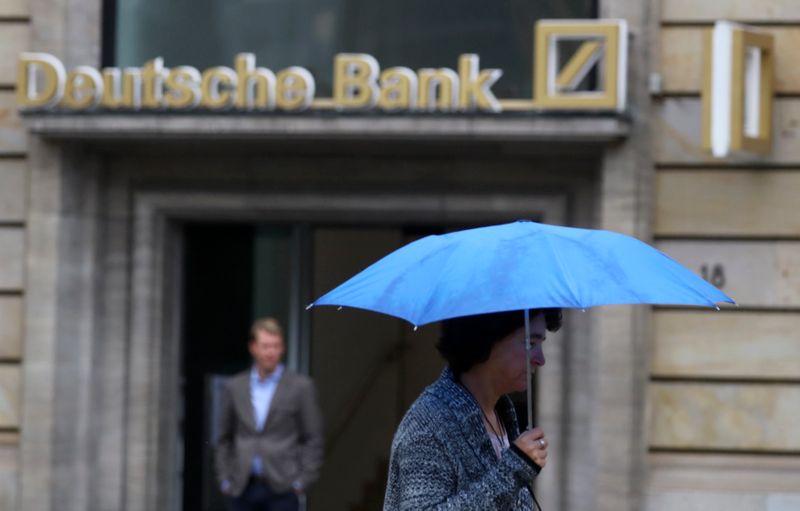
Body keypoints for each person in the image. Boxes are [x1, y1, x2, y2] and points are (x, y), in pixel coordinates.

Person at [383, 309, 562, 510]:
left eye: (541, 344)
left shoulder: (502, 415)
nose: (541, 359)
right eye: (530, 343)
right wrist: (513, 471)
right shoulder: (428, 424)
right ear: (486, 340)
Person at [215, 317, 324, 511]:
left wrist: (302, 481)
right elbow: (224, 437)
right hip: (243, 485)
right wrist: (225, 479)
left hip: (283, 485)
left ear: (282, 348)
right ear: (253, 347)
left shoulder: (300, 387)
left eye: (276, 346)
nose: (271, 352)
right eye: (265, 346)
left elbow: (313, 437)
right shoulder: (235, 387)